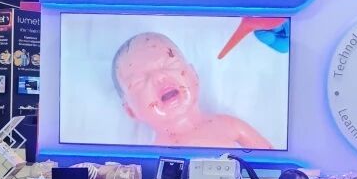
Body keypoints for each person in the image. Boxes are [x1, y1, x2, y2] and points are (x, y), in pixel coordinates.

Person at [111, 31, 272, 148]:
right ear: (131, 111)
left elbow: (274, 163)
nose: (159, 77)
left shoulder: (227, 125)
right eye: (139, 82)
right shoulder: (154, 157)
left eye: (170, 65)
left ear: (194, 75)